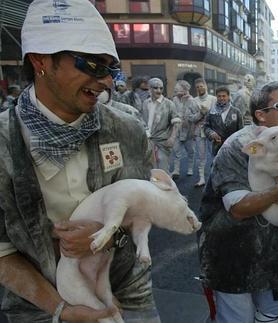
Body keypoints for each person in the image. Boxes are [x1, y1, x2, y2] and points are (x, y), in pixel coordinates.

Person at [0, 0, 160, 322]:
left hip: (126, 290)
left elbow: (148, 207)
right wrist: (61, 310)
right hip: (39, 304)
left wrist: (108, 234)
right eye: (93, 65)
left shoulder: (127, 129)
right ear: (41, 61)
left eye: (111, 69)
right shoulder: (4, 142)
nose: (106, 82)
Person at [199, 81, 278, 323]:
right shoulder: (237, 146)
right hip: (230, 256)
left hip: (273, 255)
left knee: (271, 316)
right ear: (261, 116)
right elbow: (238, 209)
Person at [142, 77, 181, 173]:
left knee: (163, 170)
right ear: (149, 88)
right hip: (147, 142)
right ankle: (154, 187)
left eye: (161, 88)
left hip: (162, 142)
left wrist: (172, 138)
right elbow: (143, 120)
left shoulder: (169, 104)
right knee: (150, 169)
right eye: (155, 88)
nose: (159, 91)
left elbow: (176, 122)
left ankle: (166, 187)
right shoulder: (145, 103)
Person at [171, 80, 201, 179]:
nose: (175, 90)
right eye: (175, 89)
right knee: (176, 151)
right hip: (177, 130)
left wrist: (190, 119)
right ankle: (176, 170)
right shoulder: (174, 100)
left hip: (189, 130)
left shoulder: (192, 101)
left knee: (191, 151)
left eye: (178, 88)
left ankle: (190, 168)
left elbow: (198, 116)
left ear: (185, 89)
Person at [203, 86, 244, 156]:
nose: (221, 98)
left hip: (232, 147)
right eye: (219, 96)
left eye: (224, 96)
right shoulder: (211, 111)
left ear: (228, 96)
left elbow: (241, 131)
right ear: (216, 97)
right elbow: (206, 127)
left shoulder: (236, 112)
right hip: (217, 147)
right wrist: (211, 134)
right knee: (218, 166)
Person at [193, 78, 217, 186]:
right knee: (200, 156)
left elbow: (218, 114)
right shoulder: (194, 100)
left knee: (214, 154)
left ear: (205, 86)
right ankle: (201, 178)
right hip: (199, 131)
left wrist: (208, 112)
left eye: (201, 86)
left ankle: (214, 177)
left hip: (212, 129)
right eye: (197, 87)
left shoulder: (213, 99)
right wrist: (200, 114)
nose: (200, 88)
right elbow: (191, 118)